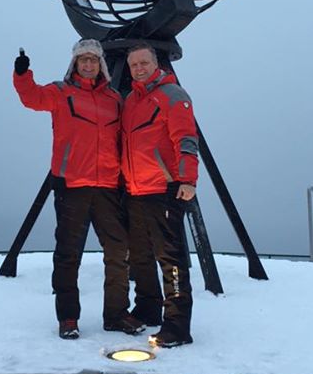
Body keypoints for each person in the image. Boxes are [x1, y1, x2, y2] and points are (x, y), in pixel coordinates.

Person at [13, 39, 145, 340]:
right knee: (68, 254)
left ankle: (116, 314)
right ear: (75, 63)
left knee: (118, 251)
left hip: (108, 187)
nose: (88, 64)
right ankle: (68, 318)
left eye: (93, 60)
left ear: (101, 65)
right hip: (72, 185)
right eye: (83, 59)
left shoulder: (114, 99)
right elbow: (32, 98)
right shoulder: (60, 92)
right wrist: (22, 74)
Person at [121, 41, 198, 348]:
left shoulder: (173, 95)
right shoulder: (130, 101)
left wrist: (187, 180)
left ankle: (177, 326)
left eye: (144, 63)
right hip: (135, 190)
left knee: (170, 258)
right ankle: (147, 308)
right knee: (139, 256)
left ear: (156, 64)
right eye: (134, 65)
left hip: (165, 189)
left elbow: (186, 139)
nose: (139, 68)